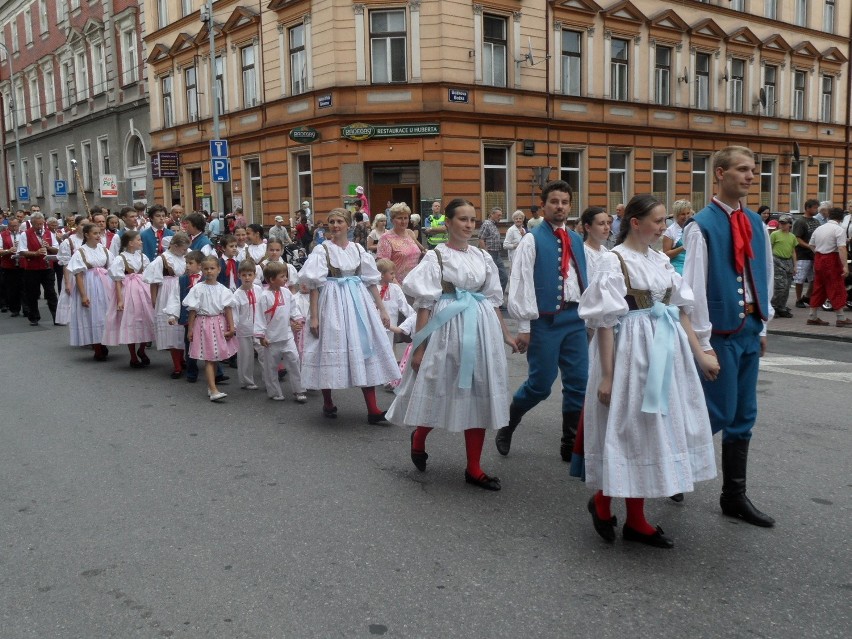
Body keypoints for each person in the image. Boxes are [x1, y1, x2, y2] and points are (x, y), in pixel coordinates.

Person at [580, 194, 718, 548]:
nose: (663, 227)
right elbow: (606, 323)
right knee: (630, 429)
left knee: (651, 431)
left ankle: (635, 519)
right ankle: (605, 502)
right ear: (636, 222)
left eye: (663, 220)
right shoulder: (614, 262)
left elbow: (679, 309)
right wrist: (608, 375)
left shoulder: (659, 260)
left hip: (665, 351)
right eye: (657, 221)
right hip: (630, 352)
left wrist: (700, 353)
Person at [387, 198, 518, 491]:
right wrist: (418, 350)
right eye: (463, 219)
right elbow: (424, 304)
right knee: (440, 389)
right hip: (447, 330)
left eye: (472, 219)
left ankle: (474, 468)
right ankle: (419, 437)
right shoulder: (436, 257)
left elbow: (493, 300)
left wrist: (506, 335)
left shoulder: (483, 257)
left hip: (481, 330)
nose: (469, 224)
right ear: (447, 223)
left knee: (479, 394)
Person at [682, 145, 776, 528]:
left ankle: (733, 496)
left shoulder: (755, 222)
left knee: (744, 414)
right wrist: (703, 343)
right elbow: (692, 291)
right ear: (719, 174)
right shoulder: (700, 225)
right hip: (719, 333)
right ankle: (674, 468)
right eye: (742, 169)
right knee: (716, 411)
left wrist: (763, 324)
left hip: (749, 330)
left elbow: (764, 272)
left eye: (752, 170)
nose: (750, 176)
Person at [498, 180, 588, 461]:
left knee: (579, 382)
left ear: (570, 206)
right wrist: (525, 327)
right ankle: (508, 423)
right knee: (541, 384)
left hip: (575, 319)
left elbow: (585, 278)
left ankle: (569, 443)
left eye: (564, 202)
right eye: (554, 202)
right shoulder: (531, 239)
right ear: (544, 205)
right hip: (545, 321)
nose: (559, 206)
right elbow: (521, 281)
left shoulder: (575, 239)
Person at [300, 207, 399, 422]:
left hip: (357, 302)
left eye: (339, 222)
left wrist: (381, 308)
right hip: (332, 302)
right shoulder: (321, 250)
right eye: (332, 222)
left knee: (366, 346)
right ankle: (328, 401)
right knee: (328, 346)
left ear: (348, 225)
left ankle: (373, 409)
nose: (335, 226)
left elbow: (371, 281)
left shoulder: (358, 249)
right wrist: (314, 316)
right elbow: (315, 286)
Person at [184, 255, 238, 402]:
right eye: (206, 268)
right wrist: (190, 330)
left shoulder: (223, 289)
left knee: (215, 358)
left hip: (219, 324)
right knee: (209, 358)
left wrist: (232, 327)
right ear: (201, 269)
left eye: (212, 268)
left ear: (219, 269)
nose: (209, 271)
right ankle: (213, 389)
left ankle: (211, 385)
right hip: (204, 323)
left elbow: (228, 309)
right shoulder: (198, 289)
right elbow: (193, 310)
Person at [254, 261, 307, 402]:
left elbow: (293, 309)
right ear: (272, 279)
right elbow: (259, 317)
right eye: (282, 276)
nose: (285, 279)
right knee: (271, 367)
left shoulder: (287, 292)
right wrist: (261, 336)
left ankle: (299, 390)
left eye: (286, 276)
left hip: (287, 335)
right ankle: (274, 392)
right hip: (271, 339)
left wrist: (297, 319)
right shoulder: (264, 296)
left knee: (294, 361)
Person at [101, 231, 155, 368]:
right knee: (131, 321)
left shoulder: (143, 257)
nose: (141, 242)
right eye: (138, 240)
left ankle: (142, 349)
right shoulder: (120, 258)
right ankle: (132, 356)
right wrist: (120, 300)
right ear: (130, 243)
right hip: (128, 292)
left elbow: (149, 274)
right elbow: (118, 281)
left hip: (143, 290)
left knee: (146, 319)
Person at [143, 232, 190, 378]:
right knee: (171, 330)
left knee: (182, 328)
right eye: (183, 249)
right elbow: (153, 282)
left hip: (183, 291)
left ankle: (182, 359)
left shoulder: (186, 257)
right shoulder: (162, 259)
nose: (185, 251)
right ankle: (176, 365)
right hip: (167, 294)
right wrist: (154, 300)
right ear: (174, 246)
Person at [67, 223, 113, 361]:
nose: (98, 236)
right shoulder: (80, 252)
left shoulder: (104, 250)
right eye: (95, 233)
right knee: (92, 315)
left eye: (99, 233)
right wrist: (83, 295)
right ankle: (97, 347)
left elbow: (113, 267)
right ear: (87, 235)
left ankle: (103, 341)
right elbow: (78, 275)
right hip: (89, 285)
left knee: (104, 314)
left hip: (104, 285)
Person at [805, 208, 850, 327]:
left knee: (819, 287)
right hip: (831, 259)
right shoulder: (839, 229)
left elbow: (811, 244)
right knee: (836, 287)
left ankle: (812, 316)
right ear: (840, 218)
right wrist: (845, 266)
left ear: (829, 216)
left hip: (819, 259)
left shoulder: (819, 228)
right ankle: (841, 318)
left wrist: (818, 254)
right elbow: (841, 248)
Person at [17, 212, 59, 326]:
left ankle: (57, 317)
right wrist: (36, 253)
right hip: (32, 269)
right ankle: (34, 317)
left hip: (47, 267)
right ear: (32, 223)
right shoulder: (25, 234)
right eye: (37, 224)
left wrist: (48, 247)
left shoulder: (49, 233)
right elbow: (22, 251)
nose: (40, 227)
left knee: (51, 292)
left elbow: (57, 249)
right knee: (32, 293)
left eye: (42, 224)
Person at [376, 203, 425, 283]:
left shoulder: (410, 233)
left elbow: (421, 250)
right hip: (397, 285)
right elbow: (383, 268)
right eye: (399, 218)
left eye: (406, 218)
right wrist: (399, 288)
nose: (403, 221)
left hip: (415, 284)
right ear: (392, 220)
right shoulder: (386, 238)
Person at [233, 260, 262, 390]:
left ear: (254, 275)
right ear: (239, 276)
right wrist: (233, 327)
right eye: (244, 275)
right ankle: (247, 381)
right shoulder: (236, 295)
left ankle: (269, 379)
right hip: (243, 328)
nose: (247, 278)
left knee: (264, 354)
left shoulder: (259, 290)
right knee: (245, 355)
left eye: (250, 275)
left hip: (259, 327)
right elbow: (234, 314)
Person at [793, 199, 821, 307]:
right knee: (800, 278)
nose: (816, 210)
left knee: (814, 278)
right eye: (814, 207)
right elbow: (797, 238)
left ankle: (807, 297)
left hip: (814, 254)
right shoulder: (800, 221)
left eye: (816, 207)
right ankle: (798, 299)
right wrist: (808, 245)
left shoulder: (816, 221)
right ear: (807, 208)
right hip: (803, 254)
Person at [769, 215, 797, 318]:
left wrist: (795, 266)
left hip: (788, 261)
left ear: (790, 224)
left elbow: (793, 251)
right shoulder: (775, 234)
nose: (782, 225)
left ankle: (782, 307)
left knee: (787, 287)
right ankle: (773, 306)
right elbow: (769, 248)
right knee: (779, 286)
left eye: (785, 223)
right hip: (777, 260)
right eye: (781, 223)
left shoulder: (792, 236)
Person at [478, 207, 509, 293]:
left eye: (501, 216)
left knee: (503, 277)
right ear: (492, 214)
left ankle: (499, 299)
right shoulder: (486, 224)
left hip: (497, 254)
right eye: (498, 215)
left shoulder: (494, 225)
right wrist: (486, 254)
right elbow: (481, 239)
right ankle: (490, 300)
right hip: (490, 254)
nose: (500, 217)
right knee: (490, 279)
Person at [661, 200, 694, 275]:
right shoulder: (670, 231)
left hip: (693, 263)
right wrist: (683, 247)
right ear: (676, 215)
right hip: (677, 266)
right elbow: (666, 254)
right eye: (682, 214)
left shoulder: (694, 227)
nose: (686, 217)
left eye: (688, 213)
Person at [0, 218, 23, 317]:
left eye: (16, 226)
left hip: (22, 264)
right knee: (12, 288)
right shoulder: (2, 235)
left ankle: (26, 308)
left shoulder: (23, 234)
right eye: (12, 226)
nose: (14, 228)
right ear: (8, 226)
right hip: (9, 265)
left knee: (24, 287)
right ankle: (15, 309)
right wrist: (8, 251)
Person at [580, 206, 611, 278]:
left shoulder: (605, 250)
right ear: (587, 227)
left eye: (608, 223)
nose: (607, 227)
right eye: (601, 224)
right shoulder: (583, 252)